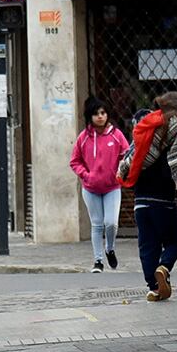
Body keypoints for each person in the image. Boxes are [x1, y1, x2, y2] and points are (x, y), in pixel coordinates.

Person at [118, 106, 177, 301]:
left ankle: (154, 287)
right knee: (174, 242)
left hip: (140, 205)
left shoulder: (134, 151)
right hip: (163, 203)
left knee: (147, 246)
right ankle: (164, 267)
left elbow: (125, 173)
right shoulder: (162, 146)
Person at [69, 96, 129, 273]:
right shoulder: (83, 138)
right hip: (91, 188)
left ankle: (110, 248)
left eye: (103, 113)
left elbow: (127, 155)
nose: (100, 117)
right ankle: (98, 261)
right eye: (96, 114)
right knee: (97, 224)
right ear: (90, 116)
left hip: (112, 187)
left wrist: (122, 171)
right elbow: (75, 161)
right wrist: (86, 175)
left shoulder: (117, 135)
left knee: (111, 223)